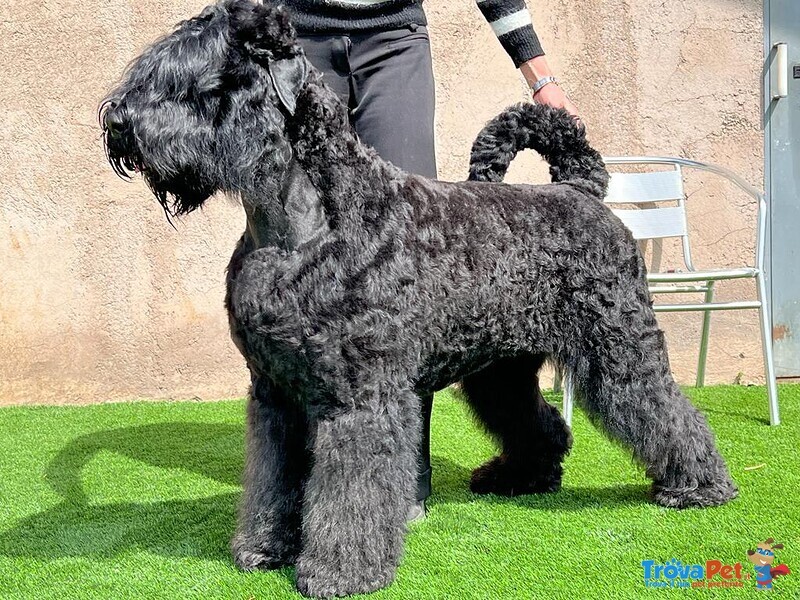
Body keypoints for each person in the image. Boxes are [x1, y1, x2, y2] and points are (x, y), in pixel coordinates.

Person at [282, 0, 579, 520]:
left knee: (405, 272)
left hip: (393, 38)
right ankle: (305, 475)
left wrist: (539, 76)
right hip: (295, 36)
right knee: (302, 267)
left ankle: (403, 475)